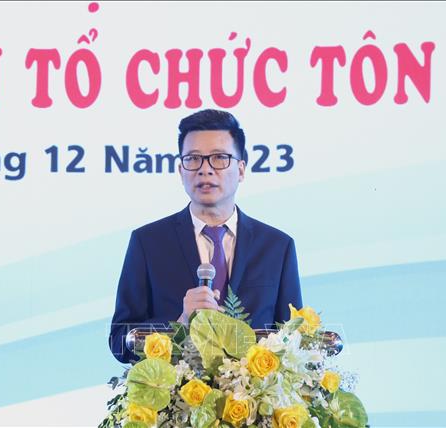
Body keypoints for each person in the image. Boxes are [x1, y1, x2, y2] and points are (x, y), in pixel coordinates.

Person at [109, 109, 303, 363]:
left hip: (252, 400)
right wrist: (179, 324)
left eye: (219, 158)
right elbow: (120, 341)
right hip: (175, 400)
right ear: (181, 170)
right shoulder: (149, 243)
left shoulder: (277, 247)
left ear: (242, 169)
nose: (205, 170)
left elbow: (295, 340)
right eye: (193, 159)